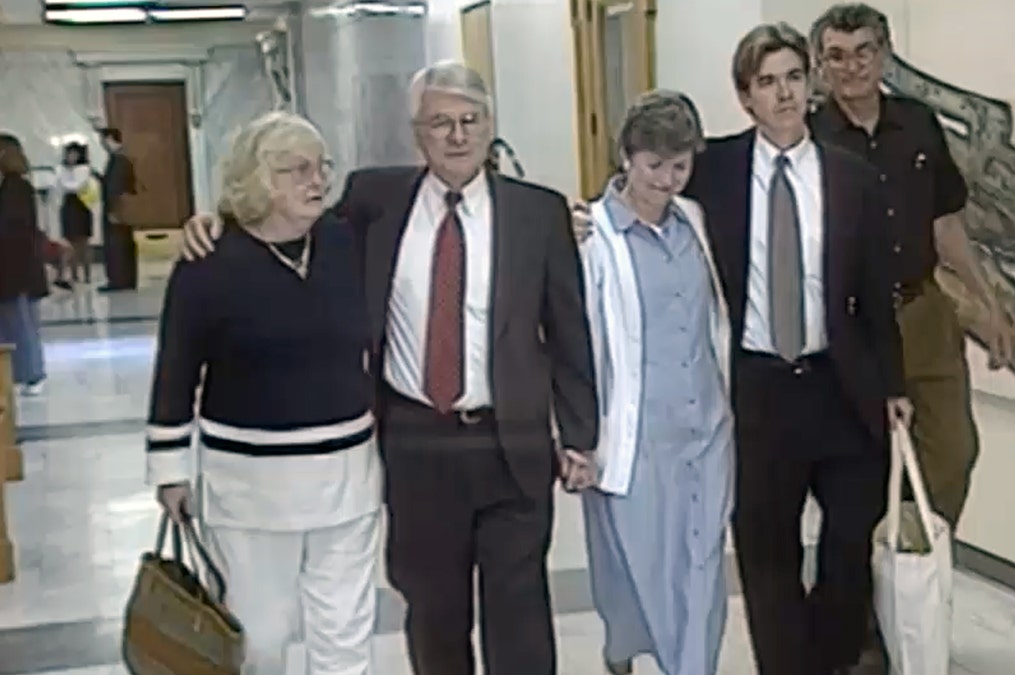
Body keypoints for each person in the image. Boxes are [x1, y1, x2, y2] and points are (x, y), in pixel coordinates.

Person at [179, 61, 599, 675]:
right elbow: (286, 220)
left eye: (469, 121)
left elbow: (569, 332)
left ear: (489, 128)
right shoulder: (373, 201)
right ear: (417, 134)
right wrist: (219, 220)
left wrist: (580, 435)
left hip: (512, 441)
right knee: (432, 609)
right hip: (416, 445)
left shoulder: (539, 214)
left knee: (520, 613)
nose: (456, 136)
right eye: (439, 123)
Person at [685, 23, 908, 675]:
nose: (783, 93)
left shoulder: (852, 177)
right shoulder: (714, 170)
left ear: (809, 83)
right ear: (744, 96)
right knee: (765, 548)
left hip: (841, 386)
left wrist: (893, 385)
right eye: (766, 82)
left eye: (792, 76)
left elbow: (875, 295)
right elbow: (648, 194)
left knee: (847, 545)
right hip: (758, 389)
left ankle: (830, 656)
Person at [147, 111, 383, 674]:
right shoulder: (209, 262)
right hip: (250, 486)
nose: (317, 180)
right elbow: (175, 369)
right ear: (254, 180)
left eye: (321, 166)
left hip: (348, 475)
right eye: (295, 169)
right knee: (261, 636)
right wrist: (169, 470)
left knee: (345, 628)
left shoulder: (345, 240)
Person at [808, 0, 1015, 538]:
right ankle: (878, 595)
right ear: (820, 65)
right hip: (852, 326)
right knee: (866, 465)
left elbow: (945, 224)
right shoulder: (809, 141)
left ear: (884, 56)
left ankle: (916, 561)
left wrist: (988, 304)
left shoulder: (918, 124)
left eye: (863, 53)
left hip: (923, 312)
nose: (851, 67)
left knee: (953, 450)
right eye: (837, 56)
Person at [578, 90, 733, 675]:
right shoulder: (592, 238)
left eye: (679, 166)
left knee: (701, 571)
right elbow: (579, 350)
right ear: (626, 157)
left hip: (707, 432)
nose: (667, 181)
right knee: (638, 570)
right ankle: (622, 653)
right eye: (654, 166)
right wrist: (578, 439)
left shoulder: (696, 223)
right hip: (634, 440)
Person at [0, 133, 49, 396]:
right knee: (16, 323)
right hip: (17, 266)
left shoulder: (15, 188)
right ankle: (20, 373)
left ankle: (31, 374)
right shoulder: (13, 187)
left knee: (21, 324)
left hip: (16, 268)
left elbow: (12, 229)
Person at [98, 127, 137, 292]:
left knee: (116, 245)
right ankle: (126, 278)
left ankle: (118, 279)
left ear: (109, 139)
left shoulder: (118, 160)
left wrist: (113, 210)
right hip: (121, 210)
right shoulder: (122, 158)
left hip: (116, 210)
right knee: (124, 243)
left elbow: (116, 186)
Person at [57, 141, 95, 284]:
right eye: (69, 153)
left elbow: (76, 186)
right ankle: (74, 275)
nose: (71, 156)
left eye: (74, 153)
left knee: (83, 242)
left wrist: (68, 178)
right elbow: (61, 185)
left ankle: (87, 275)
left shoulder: (84, 169)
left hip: (81, 205)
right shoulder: (61, 169)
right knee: (70, 242)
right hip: (67, 205)